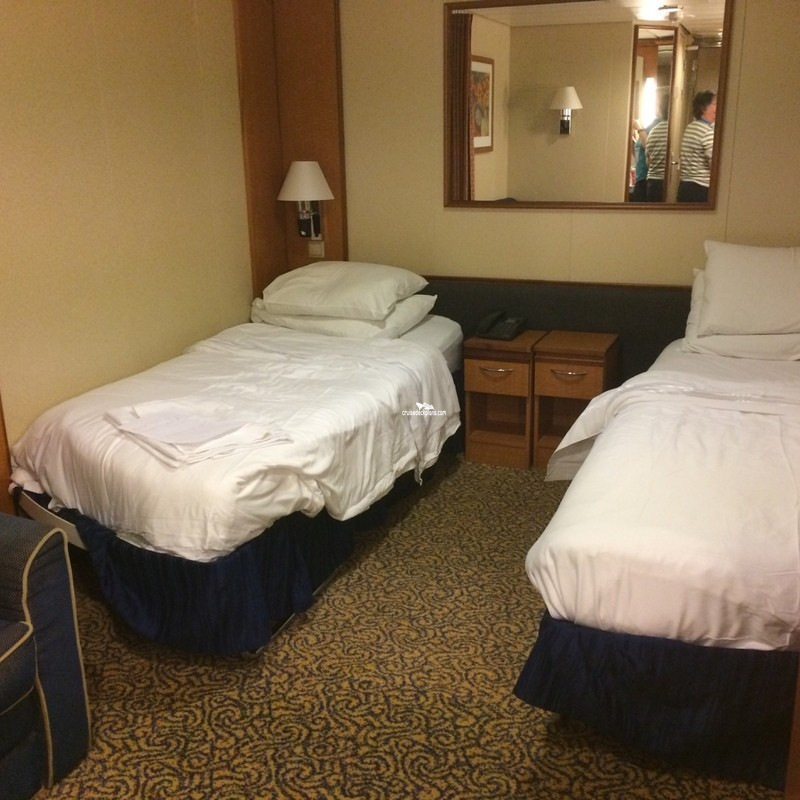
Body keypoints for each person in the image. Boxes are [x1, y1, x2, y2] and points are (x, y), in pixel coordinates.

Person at [677, 90, 717, 203]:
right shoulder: (707, 132)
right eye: (715, 104)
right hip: (701, 189)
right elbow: (714, 165)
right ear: (704, 108)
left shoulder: (690, 127)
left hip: (685, 186)